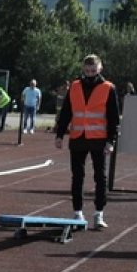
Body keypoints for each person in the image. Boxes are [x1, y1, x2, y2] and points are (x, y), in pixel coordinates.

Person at [55, 54, 119, 230]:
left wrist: (111, 140)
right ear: (83, 69)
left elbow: (113, 117)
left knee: (100, 176)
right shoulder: (75, 86)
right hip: (78, 137)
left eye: (93, 70)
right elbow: (67, 111)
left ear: (100, 69)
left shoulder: (108, 88)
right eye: (87, 70)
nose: (90, 73)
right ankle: (77, 212)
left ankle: (99, 213)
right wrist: (60, 134)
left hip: (99, 138)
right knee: (77, 176)